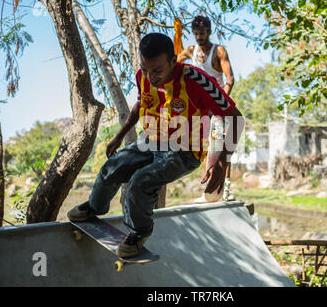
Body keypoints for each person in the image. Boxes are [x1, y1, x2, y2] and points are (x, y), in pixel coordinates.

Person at [67, 33, 244, 258]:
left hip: (185, 150)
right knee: (111, 167)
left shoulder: (195, 80)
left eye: (158, 71)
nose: (151, 76)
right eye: (146, 68)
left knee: (140, 181)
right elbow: (140, 104)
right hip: (150, 141)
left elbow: (236, 118)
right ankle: (94, 206)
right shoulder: (144, 75)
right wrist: (119, 136)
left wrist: (221, 161)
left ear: (173, 61)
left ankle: (139, 232)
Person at [178, 15, 236, 202]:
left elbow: (230, 79)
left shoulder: (218, 51)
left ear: (209, 32)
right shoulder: (191, 51)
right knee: (203, 147)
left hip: (218, 105)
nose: (199, 37)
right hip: (200, 108)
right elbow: (173, 64)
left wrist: (221, 102)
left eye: (202, 33)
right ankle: (212, 187)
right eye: (196, 33)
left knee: (221, 147)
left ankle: (226, 188)